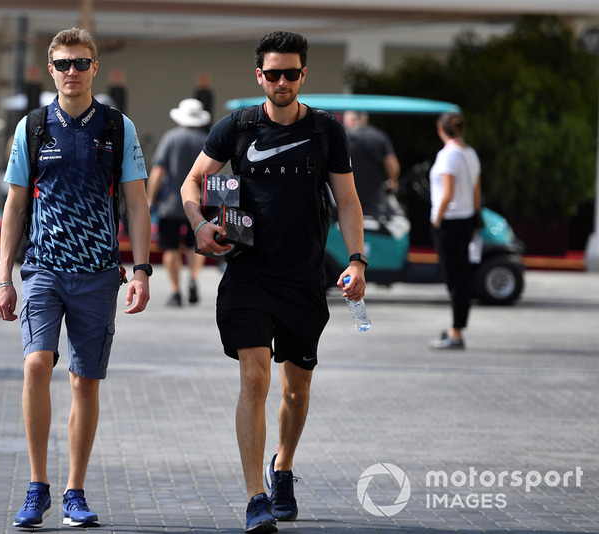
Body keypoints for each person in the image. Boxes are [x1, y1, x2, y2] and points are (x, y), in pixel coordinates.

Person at [181, 31, 367, 533]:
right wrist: (201, 226)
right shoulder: (236, 127)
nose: (282, 82)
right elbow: (193, 181)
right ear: (258, 76)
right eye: (273, 73)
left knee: (296, 391)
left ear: (303, 75)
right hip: (249, 274)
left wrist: (356, 259)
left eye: (291, 73)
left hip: (304, 277)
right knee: (254, 377)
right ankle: (255, 497)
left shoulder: (327, 131)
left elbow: (348, 202)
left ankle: (282, 466)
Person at [0, 28, 151, 530]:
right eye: (63, 63)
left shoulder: (118, 128)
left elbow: (136, 202)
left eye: (82, 63)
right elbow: (15, 203)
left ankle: (73, 492)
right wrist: (4, 277)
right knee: (37, 365)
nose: (72, 72)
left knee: (85, 381)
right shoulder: (32, 127)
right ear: (51, 68)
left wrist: (142, 270)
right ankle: (37, 486)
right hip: (42, 269)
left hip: (99, 274)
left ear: (95, 68)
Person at [147, 98, 209, 307]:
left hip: (171, 204)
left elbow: (158, 170)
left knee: (171, 248)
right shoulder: (205, 140)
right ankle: (193, 278)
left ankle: (175, 291)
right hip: (198, 203)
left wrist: (150, 198)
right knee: (196, 246)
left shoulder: (171, 138)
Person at [428, 111, 481, 350]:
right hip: (467, 218)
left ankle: (456, 333)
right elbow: (476, 193)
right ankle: (456, 328)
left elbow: (447, 193)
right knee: (461, 278)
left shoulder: (448, 156)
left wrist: (437, 219)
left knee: (455, 279)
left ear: (441, 128)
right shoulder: (470, 154)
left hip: (449, 222)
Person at [342, 110, 400, 217]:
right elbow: (392, 164)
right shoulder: (379, 136)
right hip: (374, 196)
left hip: (348, 191)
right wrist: (393, 181)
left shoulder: (343, 137)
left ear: (351, 120)